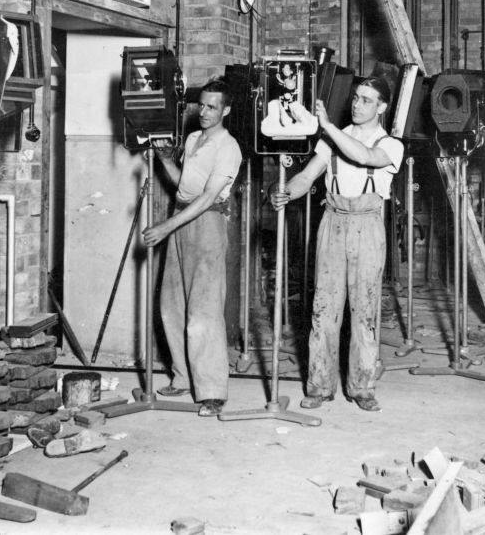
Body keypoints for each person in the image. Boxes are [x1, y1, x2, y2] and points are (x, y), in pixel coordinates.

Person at [269, 76, 403, 412]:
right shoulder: (330, 141)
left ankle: (362, 387)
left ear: (382, 107)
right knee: (324, 309)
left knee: (365, 310)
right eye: (356, 98)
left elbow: (365, 156)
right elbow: (308, 176)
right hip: (333, 222)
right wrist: (285, 191)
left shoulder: (391, 144)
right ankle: (320, 385)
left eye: (367, 100)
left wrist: (326, 125)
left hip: (367, 227)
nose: (357, 105)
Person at [142, 78, 243, 416]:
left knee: (203, 309)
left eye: (213, 106)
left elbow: (208, 198)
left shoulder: (228, 147)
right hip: (181, 218)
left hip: (206, 222)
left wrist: (164, 228)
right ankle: (183, 376)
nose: (204, 111)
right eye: (202, 104)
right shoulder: (194, 138)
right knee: (172, 303)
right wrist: (160, 156)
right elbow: (183, 183)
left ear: (225, 110)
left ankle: (212, 391)